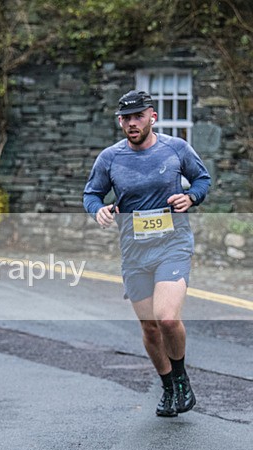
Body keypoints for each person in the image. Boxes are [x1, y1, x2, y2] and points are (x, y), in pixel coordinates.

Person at [84, 89, 211, 418]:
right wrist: (98, 210)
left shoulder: (176, 149)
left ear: (152, 116)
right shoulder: (110, 158)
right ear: (120, 122)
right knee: (150, 327)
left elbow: (201, 179)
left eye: (138, 116)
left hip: (173, 244)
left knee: (167, 317)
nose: (131, 123)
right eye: (125, 118)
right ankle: (168, 384)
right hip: (134, 252)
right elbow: (92, 194)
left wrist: (192, 198)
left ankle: (181, 378)